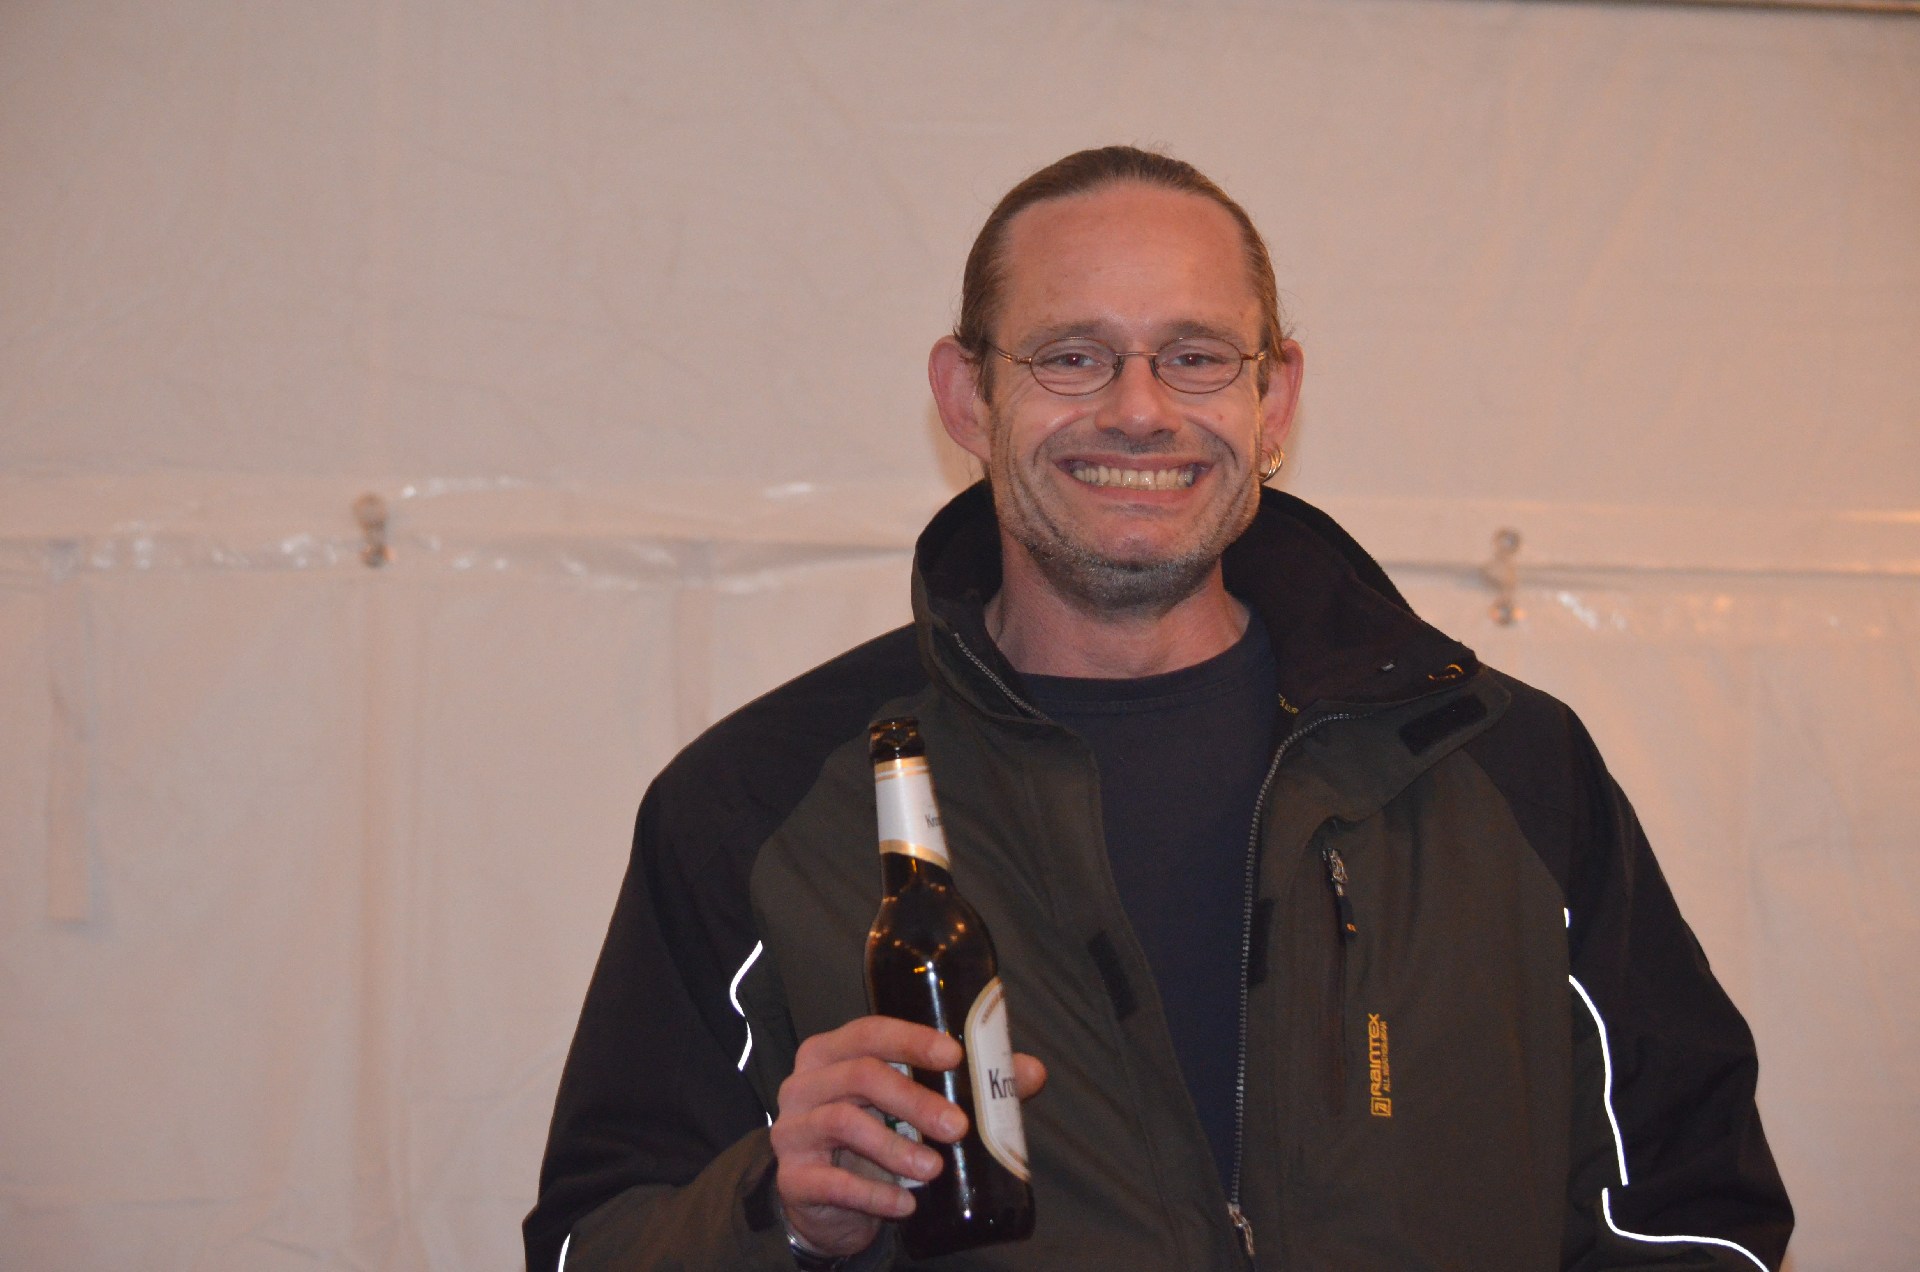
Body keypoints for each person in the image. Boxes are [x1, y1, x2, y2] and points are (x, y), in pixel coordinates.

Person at [524, 147, 1793, 1271]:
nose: (1139, 409)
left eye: (1195, 357)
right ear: (967, 399)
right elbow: (593, 1243)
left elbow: (1695, 1211)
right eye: (1072, 356)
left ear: (1273, 398)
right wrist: (781, 1218)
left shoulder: (1502, 767)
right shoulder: (758, 805)